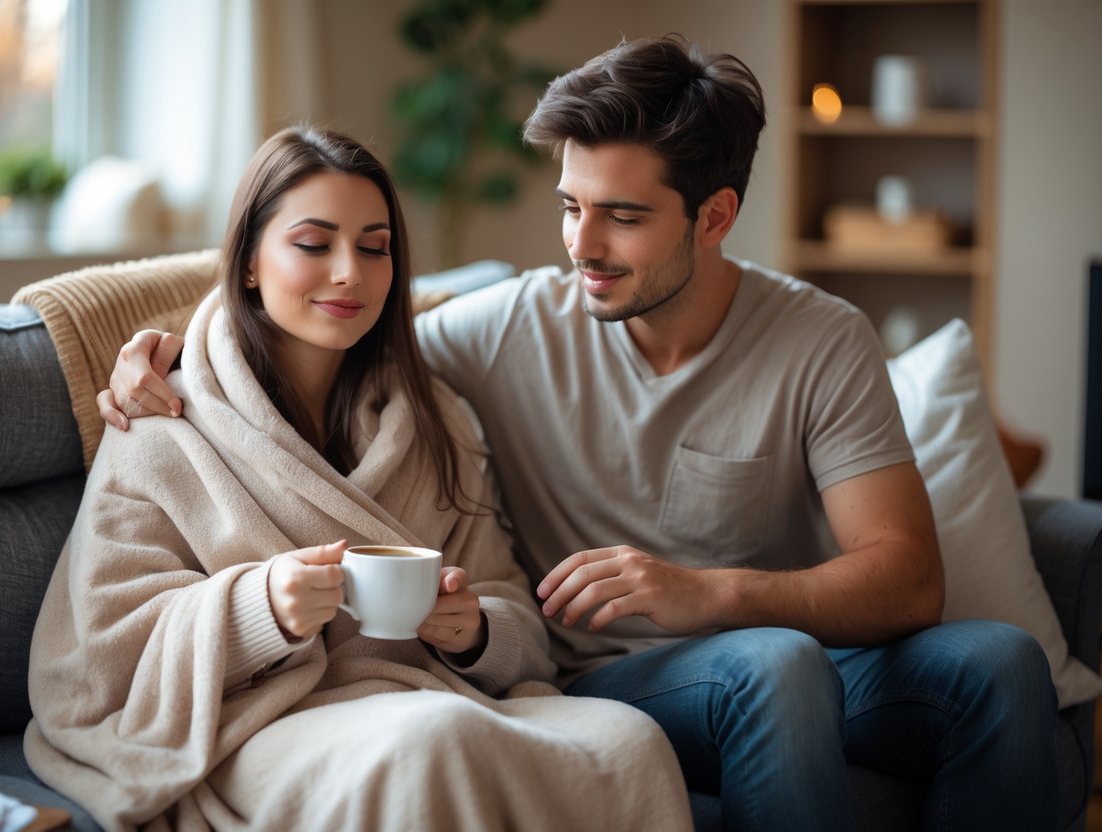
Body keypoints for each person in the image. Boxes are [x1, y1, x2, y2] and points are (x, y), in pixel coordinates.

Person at [99, 38, 1060, 831]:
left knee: (997, 663)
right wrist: (179, 342)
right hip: (609, 676)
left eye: (623, 217)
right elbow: (341, 308)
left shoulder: (820, 339)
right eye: (570, 206)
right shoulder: (501, 330)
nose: (581, 246)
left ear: (714, 216)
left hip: (775, 646)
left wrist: (704, 592)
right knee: (774, 665)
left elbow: (907, 579)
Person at [27, 125, 693, 832]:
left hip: (427, 692)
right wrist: (260, 608)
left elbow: (511, 610)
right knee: (430, 742)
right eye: (313, 245)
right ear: (249, 262)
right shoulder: (158, 419)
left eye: (374, 248)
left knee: (625, 739)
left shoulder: (435, 421)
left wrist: (471, 631)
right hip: (258, 720)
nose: (349, 272)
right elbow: (102, 654)